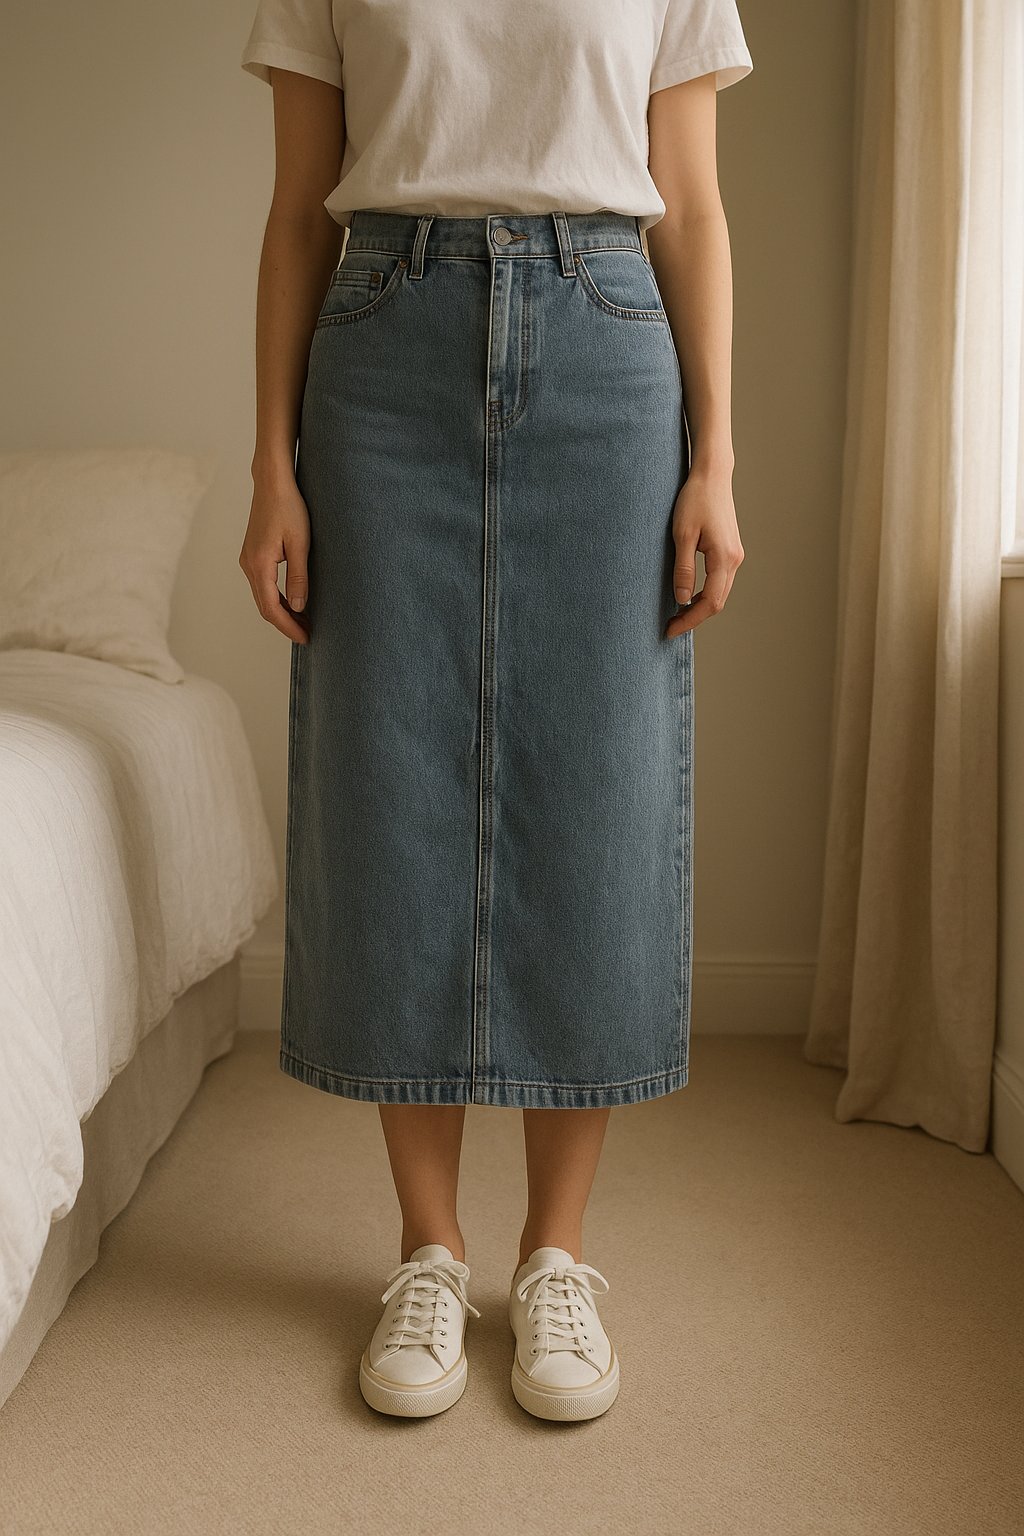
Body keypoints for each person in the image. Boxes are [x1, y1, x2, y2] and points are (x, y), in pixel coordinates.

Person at [238, 0, 751, 1423]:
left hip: (607, 341)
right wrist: (272, 468)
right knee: (392, 778)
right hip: (381, 348)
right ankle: (429, 1251)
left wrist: (716, 460)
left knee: (596, 784)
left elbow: (694, 206)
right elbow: (295, 214)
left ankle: (554, 1259)